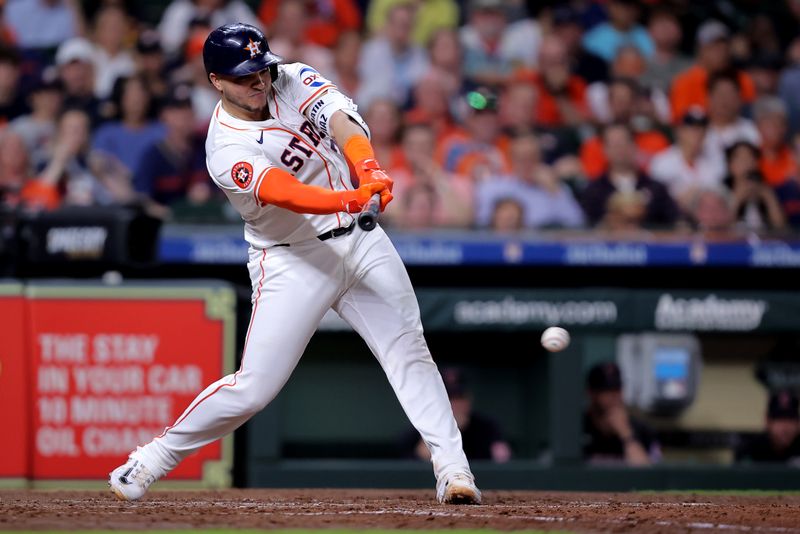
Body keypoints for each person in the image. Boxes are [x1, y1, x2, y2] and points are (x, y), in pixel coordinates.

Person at [108, 22, 481, 506]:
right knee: (254, 388)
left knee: (409, 351)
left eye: (260, 69)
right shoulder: (224, 147)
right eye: (244, 77)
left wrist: (368, 167)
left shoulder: (289, 76)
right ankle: (152, 457)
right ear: (216, 81)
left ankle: (454, 471)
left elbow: (342, 121)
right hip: (291, 260)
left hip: (361, 242)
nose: (259, 81)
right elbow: (285, 193)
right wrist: (349, 196)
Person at [401, 368, 511, 463]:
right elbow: (415, 464)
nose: (455, 404)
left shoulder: (487, 427)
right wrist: (449, 428)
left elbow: (502, 460)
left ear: (469, 399)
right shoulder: (422, 425)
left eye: (460, 398)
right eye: (450, 398)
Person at [583, 362, 660, 466]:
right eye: (607, 390)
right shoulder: (579, 429)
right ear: (591, 393)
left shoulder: (642, 431)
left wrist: (626, 434)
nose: (615, 396)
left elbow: (648, 477)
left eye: (618, 389)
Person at [736, 390, 800, 464]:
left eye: (791, 420)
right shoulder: (752, 449)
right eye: (779, 420)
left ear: (798, 423)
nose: (785, 427)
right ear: (767, 421)